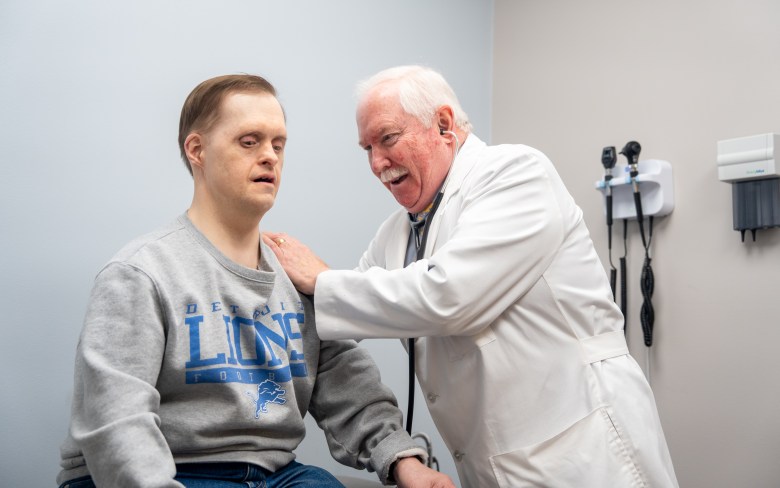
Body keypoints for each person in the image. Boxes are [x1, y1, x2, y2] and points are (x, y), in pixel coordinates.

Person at [263, 65, 680, 487]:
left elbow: (449, 297)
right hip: (493, 462)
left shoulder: (516, 173)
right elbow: (342, 317)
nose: (376, 163)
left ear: (444, 124)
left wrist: (320, 279)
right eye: (367, 148)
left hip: (584, 448)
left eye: (387, 138)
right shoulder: (398, 233)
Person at [56, 74, 455, 488]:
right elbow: (116, 422)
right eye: (249, 142)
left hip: (275, 474)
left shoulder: (296, 276)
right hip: (175, 469)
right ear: (197, 150)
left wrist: (405, 461)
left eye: (278, 145)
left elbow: (349, 389)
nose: (269, 157)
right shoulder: (139, 273)